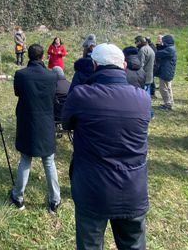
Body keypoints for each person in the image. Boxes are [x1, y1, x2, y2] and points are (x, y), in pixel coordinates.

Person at [63, 44, 151, 250]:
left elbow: (66, 123)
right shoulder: (143, 98)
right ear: (124, 65)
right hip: (133, 188)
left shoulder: (81, 95)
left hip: (92, 187)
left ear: (93, 65)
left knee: (90, 245)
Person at [9, 44, 61, 213]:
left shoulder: (21, 74)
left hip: (27, 120)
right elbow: (53, 96)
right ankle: (55, 200)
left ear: (28, 56)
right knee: (49, 162)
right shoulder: (52, 76)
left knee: (25, 159)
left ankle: (18, 197)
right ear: (43, 57)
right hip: (45, 121)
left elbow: (18, 93)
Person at [155, 34, 177, 110]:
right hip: (168, 71)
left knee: (163, 88)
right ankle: (170, 102)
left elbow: (157, 54)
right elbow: (162, 51)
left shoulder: (169, 49)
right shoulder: (171, 48)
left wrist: (156, 46)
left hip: (166, 72)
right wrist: (159, 45)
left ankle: (167, 104)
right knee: (168, 88)